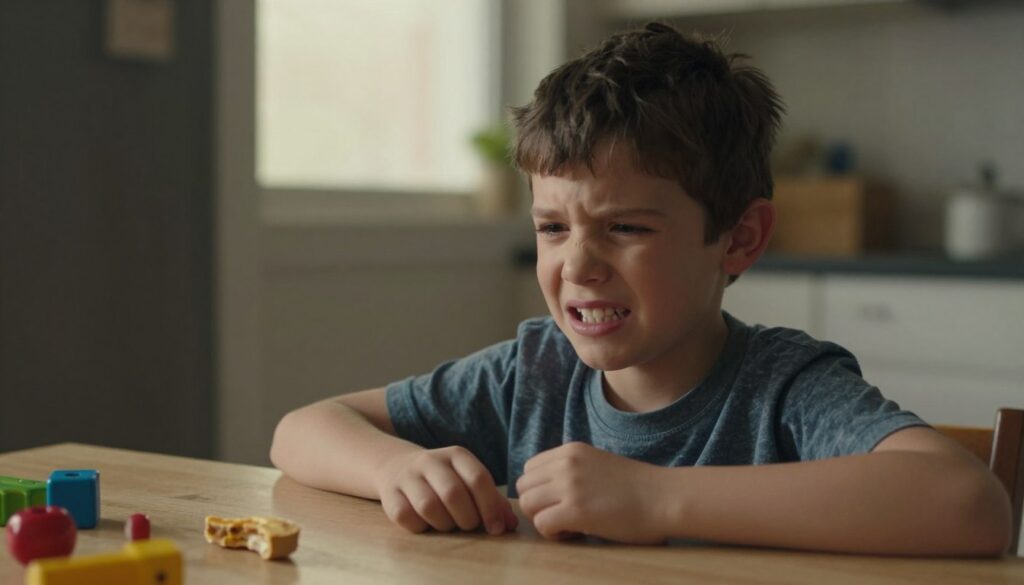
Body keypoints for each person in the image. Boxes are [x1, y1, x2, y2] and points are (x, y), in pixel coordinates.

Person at [270, 22, 1012, 555]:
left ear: (740, 237)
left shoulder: (784, 387)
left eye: (625, 228)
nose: (579, 265)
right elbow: (301, 428)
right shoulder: (531, 374)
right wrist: (396, 466)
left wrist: (655, 497)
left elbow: (969, 502)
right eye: (553, 228)